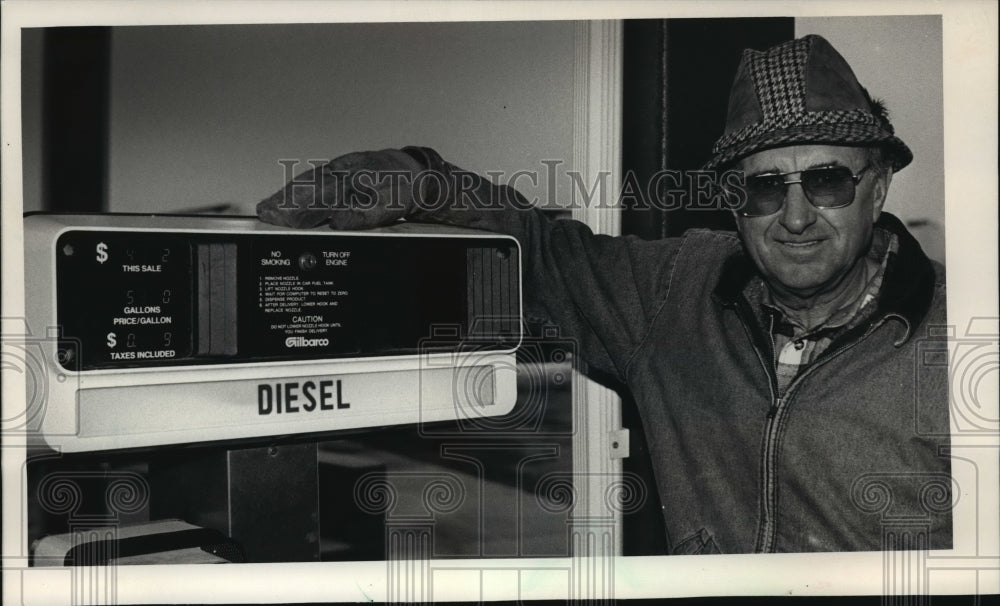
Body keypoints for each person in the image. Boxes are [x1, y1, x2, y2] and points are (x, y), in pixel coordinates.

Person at [256, 35, 951, 554]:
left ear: (879, 185)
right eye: (764, 188)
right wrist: (422, 178)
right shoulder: (676, 292)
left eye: (827, 181)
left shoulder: (958, 338)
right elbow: (540, 245)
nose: (795, 217)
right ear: (733, 204)